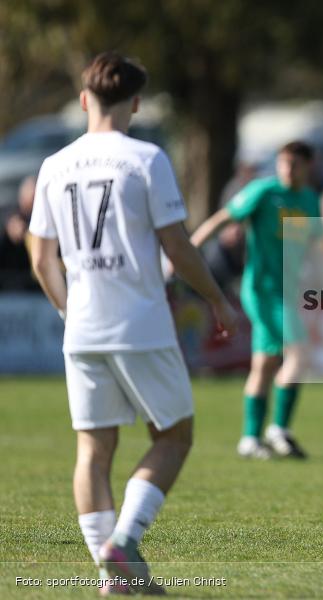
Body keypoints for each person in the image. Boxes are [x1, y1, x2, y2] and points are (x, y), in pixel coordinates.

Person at [27, 52, 238, 594]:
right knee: (174, 435)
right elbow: (178, 247)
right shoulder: (146, 159)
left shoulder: (54, 165)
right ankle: (123, 544)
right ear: (136, 103)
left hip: (83, 327)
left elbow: (41, 257)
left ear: (84, 100)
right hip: (139, 322)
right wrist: (216, 298)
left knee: (92, 451)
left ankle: (111, 575)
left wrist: (67, 311)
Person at [190, 141, 322, 459]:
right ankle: (279, 430)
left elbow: (313, 245)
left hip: (288, 292)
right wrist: (188, 250)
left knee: (265, 364)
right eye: (283, 163)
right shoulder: (263, 192)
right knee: (299, 354)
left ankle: (249, 439)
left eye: (294, 164)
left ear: (308, 166)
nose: (287, 169)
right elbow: (222, 218)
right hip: (263, 290)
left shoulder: (309, 200)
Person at [0, 175, 40, 291]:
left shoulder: (43, 219)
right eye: (32, 196)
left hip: (32, 287)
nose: (34, 200)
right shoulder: (9, 211)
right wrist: (10, 225)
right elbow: (10, 221)